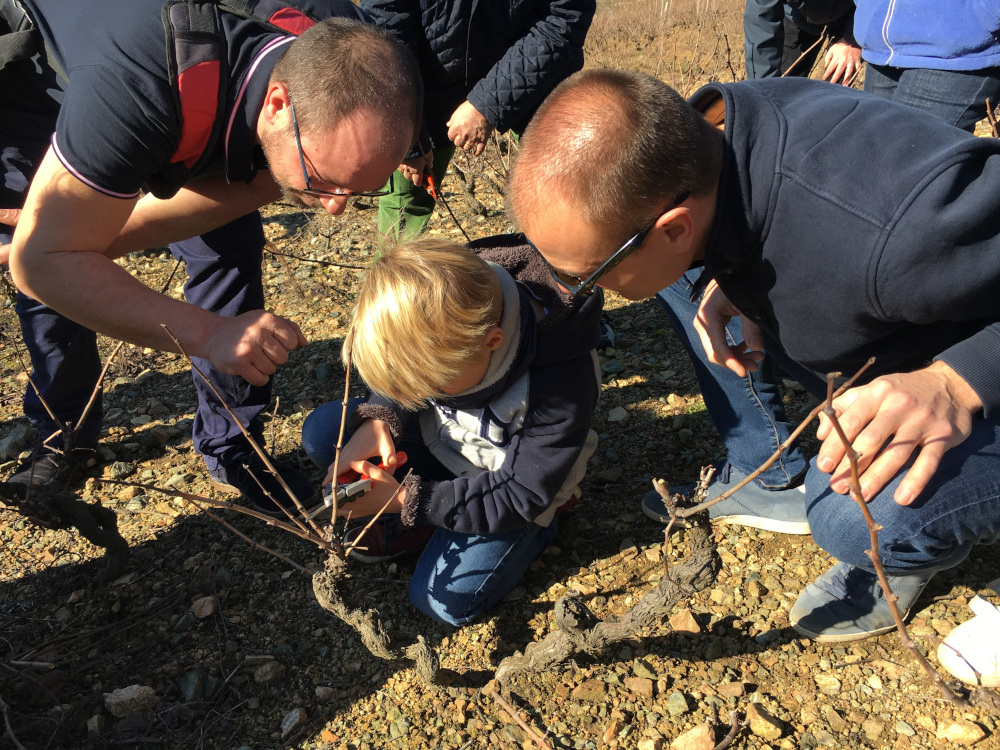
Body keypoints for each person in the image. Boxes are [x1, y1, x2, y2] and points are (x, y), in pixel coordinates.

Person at [507, 68, 1000, 643]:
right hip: (883, 308)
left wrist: (957, 381)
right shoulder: (720, 139)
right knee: (671, 281)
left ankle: (911, 546)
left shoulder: (898, 233)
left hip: (963, 371)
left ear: (675, 230)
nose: (575, 294)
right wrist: (728, 276)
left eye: (586, 277)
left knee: (857, 519)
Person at [0, 0, 421, 512]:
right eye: (324, 181)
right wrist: (202, 331)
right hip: (38, 73)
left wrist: (89, 241)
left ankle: (234, 447)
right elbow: (41, 261)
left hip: (196, 90)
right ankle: (62, 437)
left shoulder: (351, 54)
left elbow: (244, 192)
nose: (335, 209)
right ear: (277, 104)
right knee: (49, 262)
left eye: (358, 191)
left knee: (230, 247)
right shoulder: (135, 88)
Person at [301, 237, 601, 625]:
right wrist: (379, 417)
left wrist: (408, 501)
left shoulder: (560, 384)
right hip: (447, 446)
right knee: (326, 433)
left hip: (516, 491)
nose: (418, 395)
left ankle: (536, 528)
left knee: (443, 601)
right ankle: (435, 516)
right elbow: (403, 380)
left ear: (492, 342)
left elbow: (520, 493)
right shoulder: (449, 303)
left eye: (430, 385)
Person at [360, 0, 595, 240]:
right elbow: (386, 32)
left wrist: (487, 103)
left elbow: (565, 17)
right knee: (402, 217)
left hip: (534, 78)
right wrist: (408, 139)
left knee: (565, 202)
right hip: (420, 95)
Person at [852, 0, 1000, 132]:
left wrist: (988, 14)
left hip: (955, 55)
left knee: (908, 155)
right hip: (880, 46)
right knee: (872, 150)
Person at [744, 0, 861, 83]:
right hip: (798, 16)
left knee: (838, 93)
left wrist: (852, 38)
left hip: (853, 13)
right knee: (780, 87)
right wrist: (762, 90)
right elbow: (760, 23)